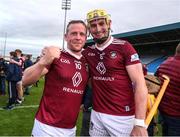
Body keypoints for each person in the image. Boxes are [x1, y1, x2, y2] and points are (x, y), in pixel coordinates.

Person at [82, 9, 148, 136]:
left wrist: (139, 123)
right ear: (89, 29)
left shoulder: (124, 47)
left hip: (122, 117)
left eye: (101, 23)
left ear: (109, 24)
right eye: (93, 25)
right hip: (96, 114)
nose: (98, 29)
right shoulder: (87, 52)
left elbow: (140, 84)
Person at [22, 20, 89, 136]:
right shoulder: (56, 55)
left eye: (82, 34)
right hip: (46, 127)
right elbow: (25, 80)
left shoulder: (87, 61)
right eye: (73, 33)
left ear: (85, 38)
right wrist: (43, 61)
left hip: (71, 128)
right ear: (65, 37)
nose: (78, 37)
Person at [155, 42, 180, 136]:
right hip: (176, 115)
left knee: (165, 132)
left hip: (163, 110)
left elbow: (156, 82)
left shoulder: (164, 63)